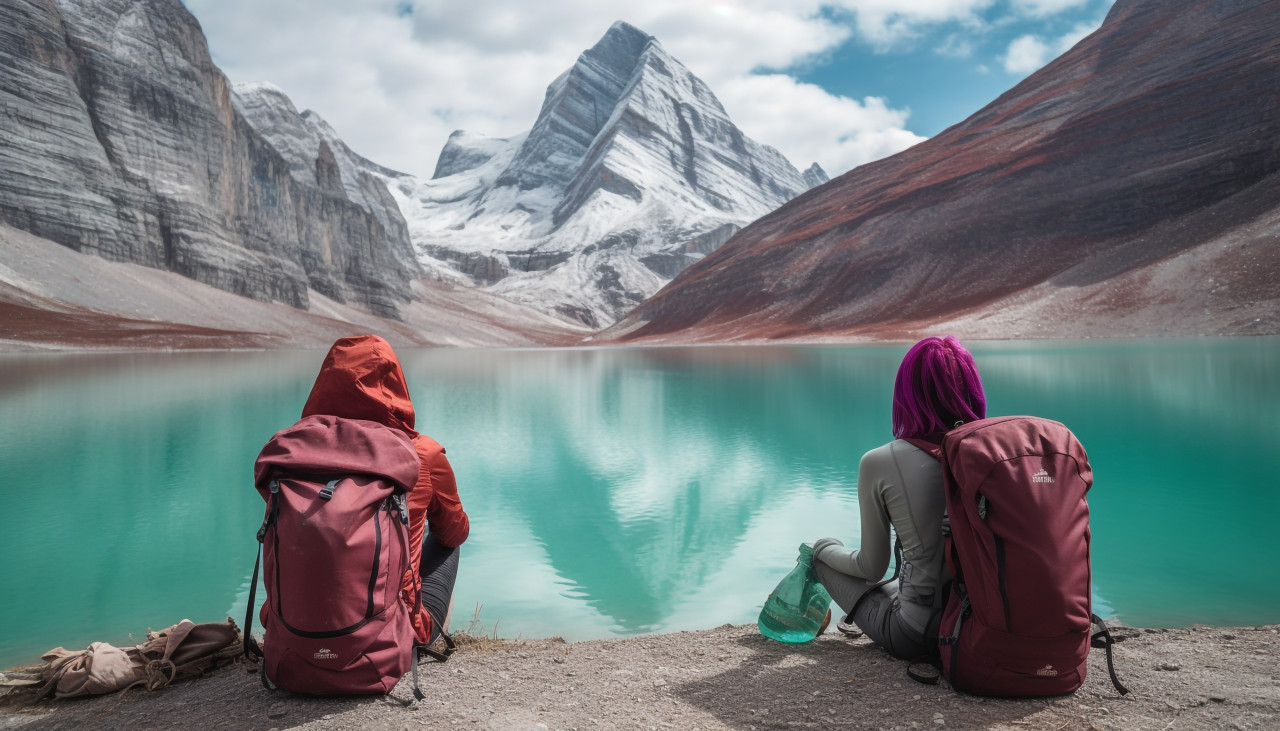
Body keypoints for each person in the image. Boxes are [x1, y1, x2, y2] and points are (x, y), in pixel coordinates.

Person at [812, 336, 986, 660]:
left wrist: (822, 548)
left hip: (923, 635)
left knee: (823, 559)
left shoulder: (879, 462)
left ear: (907, 394)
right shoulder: (994, 454)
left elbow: (871, 567)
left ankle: (808, 609)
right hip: (989, 625)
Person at [301, 334, 470, 649]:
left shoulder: (291, 455)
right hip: (388, 641)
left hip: (295, 641)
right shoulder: (421, 453)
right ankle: (420, 634)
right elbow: (454, 533)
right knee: (448, 538)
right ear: (394, 384)